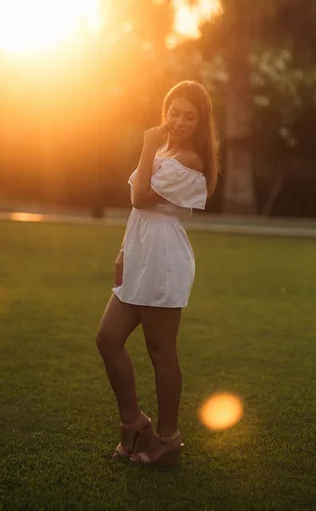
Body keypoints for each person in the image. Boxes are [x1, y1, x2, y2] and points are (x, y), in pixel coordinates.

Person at [96, 80, 220, 467]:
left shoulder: (192, 160)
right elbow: (138, 210)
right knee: (107, 338)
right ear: (165, 110)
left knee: (160, 350)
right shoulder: (164, 148)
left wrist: (147, 146)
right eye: (174, 112)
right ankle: (134, 421)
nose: (179, 121)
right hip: (139, 250)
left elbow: (140, 196)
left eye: (189, 116)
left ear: (202, 122)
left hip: (165, 257)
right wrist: (122, 249)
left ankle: (168, 437)